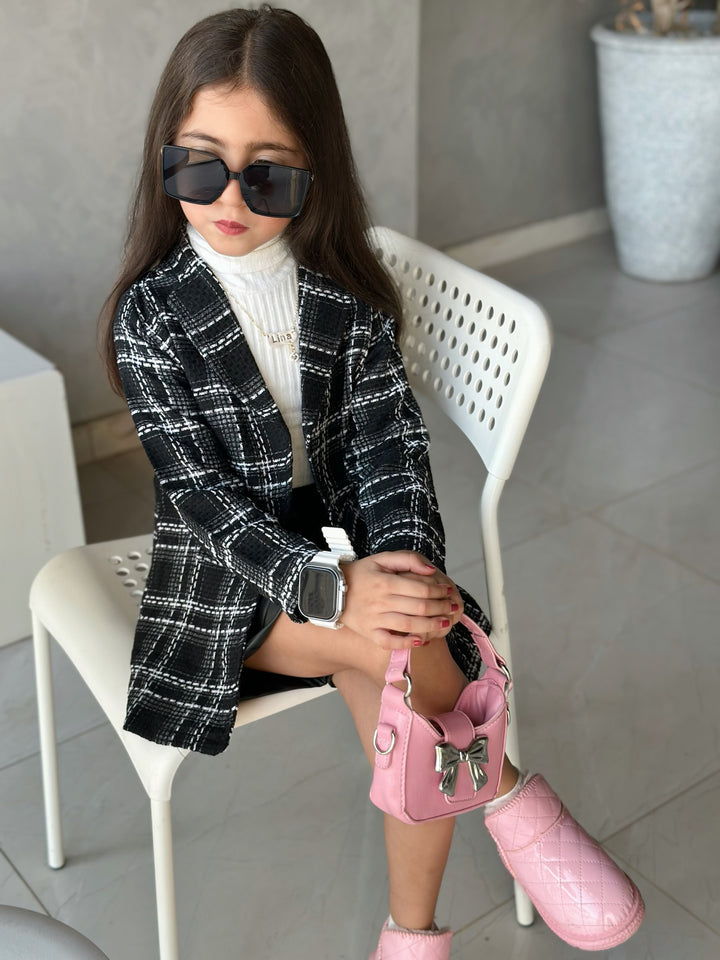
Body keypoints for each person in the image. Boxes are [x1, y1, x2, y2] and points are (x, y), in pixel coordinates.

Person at [100, 7, 644, 957]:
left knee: (402, 657)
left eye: (267, 174)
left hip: (349, 549)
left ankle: (413, 932)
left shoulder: (345, 299)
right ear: (166, 158)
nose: (229, 199)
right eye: (199, 166)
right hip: (228, 583)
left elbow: (390, 453)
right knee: (396, 652)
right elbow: (200, 498)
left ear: (315, 171)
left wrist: (402, 569)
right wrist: (337, 587)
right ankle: (501, 795)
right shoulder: (150, 316)